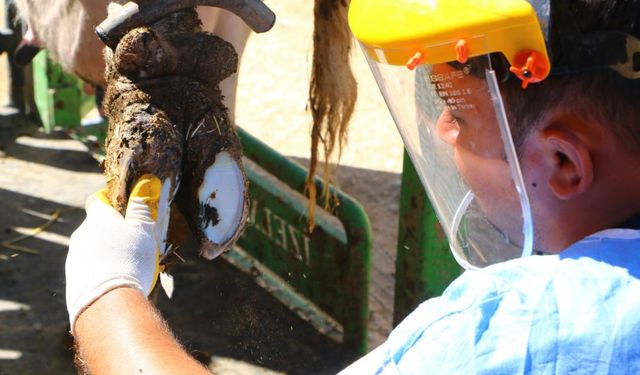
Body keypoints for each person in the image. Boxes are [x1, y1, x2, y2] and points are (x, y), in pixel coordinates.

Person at [65, 0, 640, 373]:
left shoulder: (522, 335)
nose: (442, 126)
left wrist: (106, 294)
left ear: (564, 162)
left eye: (458, 116)